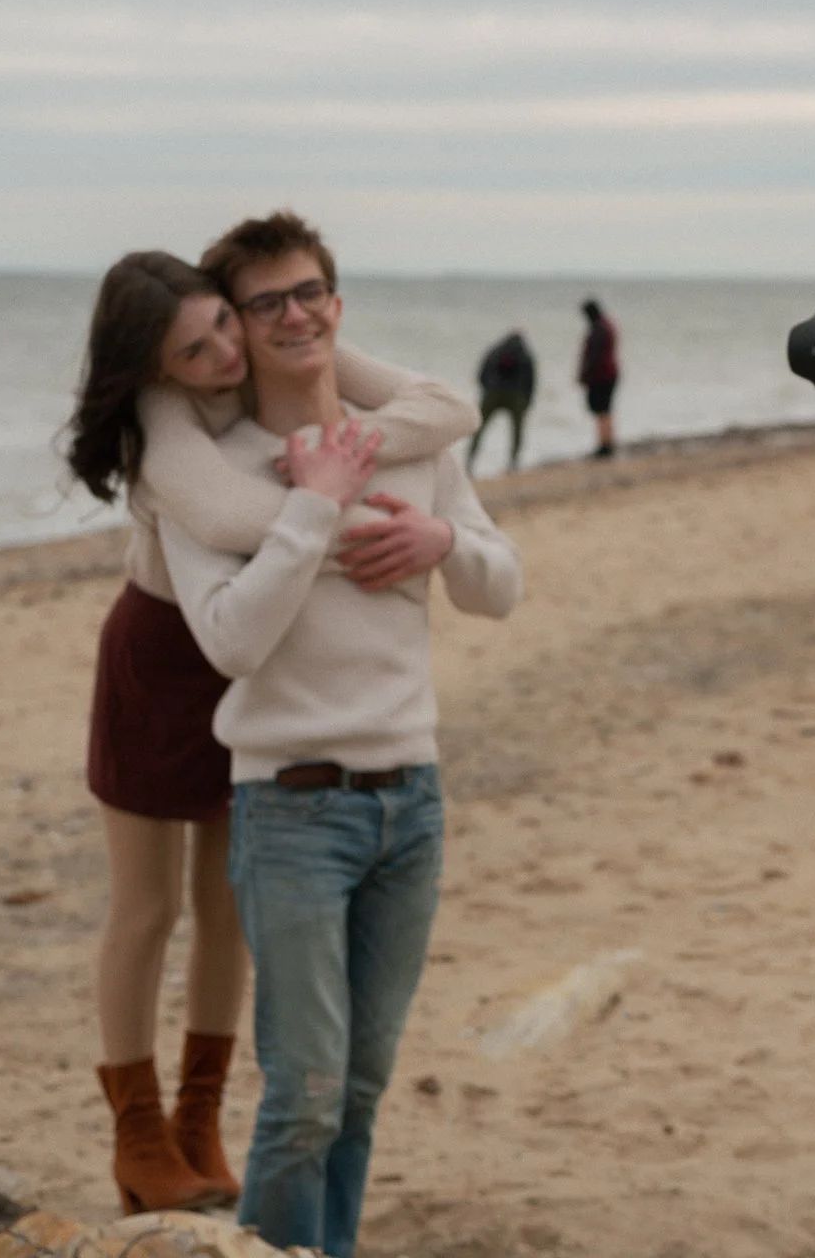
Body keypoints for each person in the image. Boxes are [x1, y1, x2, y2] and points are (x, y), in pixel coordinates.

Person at [62, 252, 475, 1216]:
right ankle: (138, 1132)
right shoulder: (164, 418)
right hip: (169, 655)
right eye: (191, 348)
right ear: (153, 366)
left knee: (228, 908)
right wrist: (358, 515)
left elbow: (447, 410)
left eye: (221, 329)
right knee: (145, 908)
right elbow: (232, 513)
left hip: (264, 639)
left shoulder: (261, 345)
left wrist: (403, 502)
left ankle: (199, 1120)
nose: (219, 356)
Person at [157, 212, 523, 1258]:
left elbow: (503, 586)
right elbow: (228, 640)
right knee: (304, 1093)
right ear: (237, 324)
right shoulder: (214, 474)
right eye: (265, 301)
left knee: (358, 1091)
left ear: (337, 302)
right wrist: (310, 510)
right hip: (290, 806)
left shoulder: (410, 447)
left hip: (413, 798)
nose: (294, 314)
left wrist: (442, 537)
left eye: (308, 290)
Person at [470, 330, 537, 474]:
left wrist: (487, 389)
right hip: (516, 396)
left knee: (479, 429)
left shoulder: (495, 351)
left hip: (493, 393)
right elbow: (531, 382)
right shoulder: (526, 355)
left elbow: (481, 373)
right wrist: (527, 402)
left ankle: (469, 462)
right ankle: (513, 463)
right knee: (516, 432)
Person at [578, 297, 619, 459]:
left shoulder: (598, 329)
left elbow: (594, 356)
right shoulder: (607, 326)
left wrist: (585, 374)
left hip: (601, 376)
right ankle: (607, 443)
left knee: (602, 410)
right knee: (605, 410)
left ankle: (605, 445)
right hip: (608, 373)